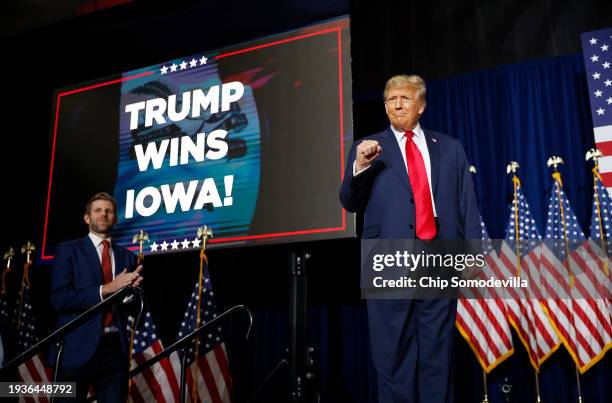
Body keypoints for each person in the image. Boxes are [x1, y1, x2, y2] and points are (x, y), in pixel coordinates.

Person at [340, 75, 481, 403]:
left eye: (404, 98)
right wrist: (360, 166)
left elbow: (467, 204)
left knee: (438, 354)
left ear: (421, 105)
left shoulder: (449, 147)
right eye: (390, 99)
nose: (397, 104)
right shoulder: (368, 148)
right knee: (392, 357)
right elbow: (349, 201)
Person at [49, 192, 143, 402]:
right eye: (98, 210)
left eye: (108, 211)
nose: (103, 215)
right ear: (87, 218)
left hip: (113, 352)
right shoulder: (68, 250)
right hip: (74, 350)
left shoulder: (128, 256)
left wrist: (132, 295)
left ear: (115, 218)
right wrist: (108, 288)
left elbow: (131, 310)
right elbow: (60, 299)